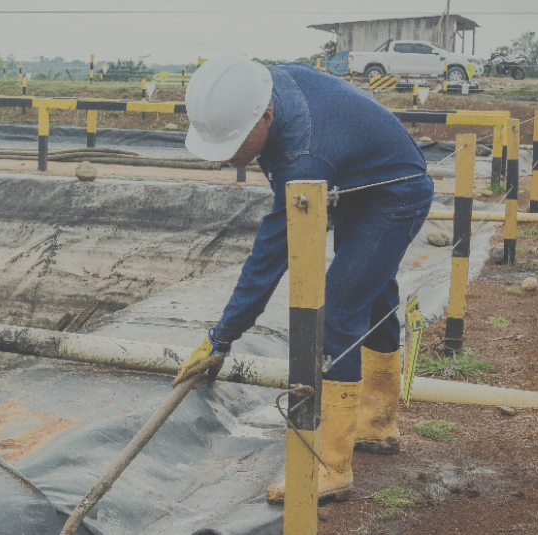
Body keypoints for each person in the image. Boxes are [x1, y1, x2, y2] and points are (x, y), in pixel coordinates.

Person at [174, 57, 433, 504]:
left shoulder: (303, 155)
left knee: (337, 309)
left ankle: (330, 465)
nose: (232, 158)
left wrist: (222, 337)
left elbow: (272, 255)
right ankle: (378, 422)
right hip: (359, 176)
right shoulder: (257, 82)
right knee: (372, 292)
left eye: (235, 144)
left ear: (266, 116)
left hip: (396, 189)